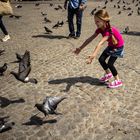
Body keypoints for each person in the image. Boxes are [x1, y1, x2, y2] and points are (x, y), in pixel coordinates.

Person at [74, 9, 124, 88]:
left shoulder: (108, 31)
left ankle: (118, 81)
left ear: (104, 21)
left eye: (97, 21)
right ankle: (108, 74)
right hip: (111, 46)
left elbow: (100, 43)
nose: (95, 23)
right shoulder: (100, 29)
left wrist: (93, 55)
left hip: (118, 47)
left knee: (110, 64)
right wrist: (80, 48)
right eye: (95, 21)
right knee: (101, 59)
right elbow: (90, 39)